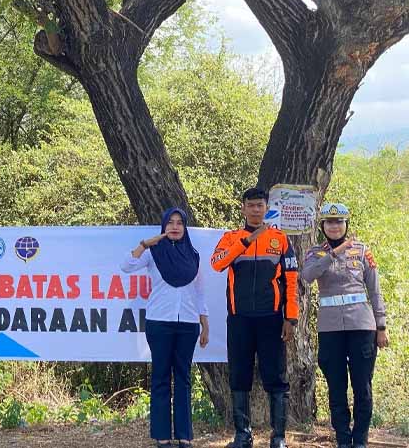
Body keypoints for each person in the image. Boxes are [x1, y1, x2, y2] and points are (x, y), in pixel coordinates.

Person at [210, 187, 299, 448]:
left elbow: (291, 280)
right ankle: (243, 435)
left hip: (271, 318)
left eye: (260, 205)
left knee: (276, 376)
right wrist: (247, 241)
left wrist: (290, 318)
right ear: (243, 208)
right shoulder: (231, 237)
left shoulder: (280, 239)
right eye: (251, 205)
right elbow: (217, 263)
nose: (256, 210)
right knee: (239, 375)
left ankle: (279, 436)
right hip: (240, 319)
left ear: (266, 207)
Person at [301, 203, 388, 448]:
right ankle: (343, 439)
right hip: (330, 330)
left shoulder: (361, 251)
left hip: (361, 325)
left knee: (363, 386)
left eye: (339, 221)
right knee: (336, 387)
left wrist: (381, 326)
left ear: (346, 224)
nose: (335, 226)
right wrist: (334, 252)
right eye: (330, 222)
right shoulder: (316, 253)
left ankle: (360, 439)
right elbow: (306, 277)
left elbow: (375, 290)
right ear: (323, 226)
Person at [121, 208, 209, 448]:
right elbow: (126, 266)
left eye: (180, 223)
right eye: (170, 222)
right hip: (159, 322)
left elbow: (199, 292)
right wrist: (144, 244)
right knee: (160, 377)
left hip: (188, 323)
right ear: (163, 226)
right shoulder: (153, 253)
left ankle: (184, 436)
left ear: (185, 227)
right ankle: (162, 436)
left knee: (184, 379)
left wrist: (205, 323)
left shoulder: (193, 255)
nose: (175, 227)